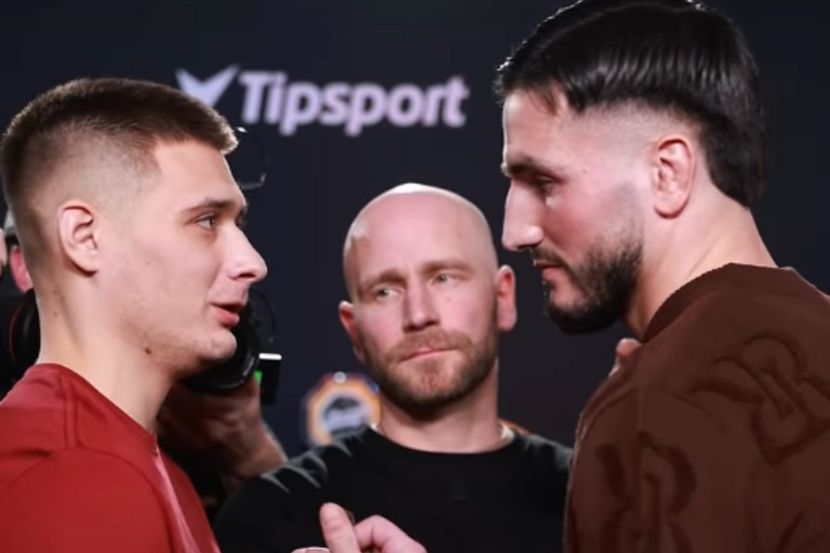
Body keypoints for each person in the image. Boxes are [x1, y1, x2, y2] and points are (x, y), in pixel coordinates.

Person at [493, 0, 830, 552]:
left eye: (544, 182)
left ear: (667, 173)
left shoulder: (649, 411)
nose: (515, 230)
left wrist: (648, 402)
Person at [214, 183, 572, 553]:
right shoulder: (272, 515)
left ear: (503, 297)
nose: (419, 314)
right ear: (354, 331)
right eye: (385, 291)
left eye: (443, 277)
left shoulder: (588, 500)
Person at [0, 77, 268, 552]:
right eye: (206, 221)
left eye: (238, 223)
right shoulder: (75, 476)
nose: (252, 262)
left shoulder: (140, 467)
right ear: (85, 237)